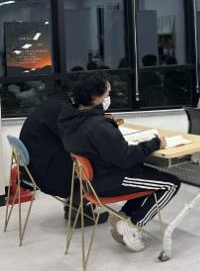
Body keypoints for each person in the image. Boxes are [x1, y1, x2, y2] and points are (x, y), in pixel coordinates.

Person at [60, 72, 180, 252]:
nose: (108, 98)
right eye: (107, 94)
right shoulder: (97, 125)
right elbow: (125, 157)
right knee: (171, 184)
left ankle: (123, 216)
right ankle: (134, 224)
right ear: (95, 97)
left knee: (151, 176)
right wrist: (155, 143)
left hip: (91, 182)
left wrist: (107, 124)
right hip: (113, 179)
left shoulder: (69, 119)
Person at [18, 77, 108, 225]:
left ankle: (75, 208)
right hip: (45, 173)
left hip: (33, 167)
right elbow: (77, 138)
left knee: (85, 159)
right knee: (93, 166)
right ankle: (79, 215)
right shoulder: (60, 109)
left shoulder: (53, 103)